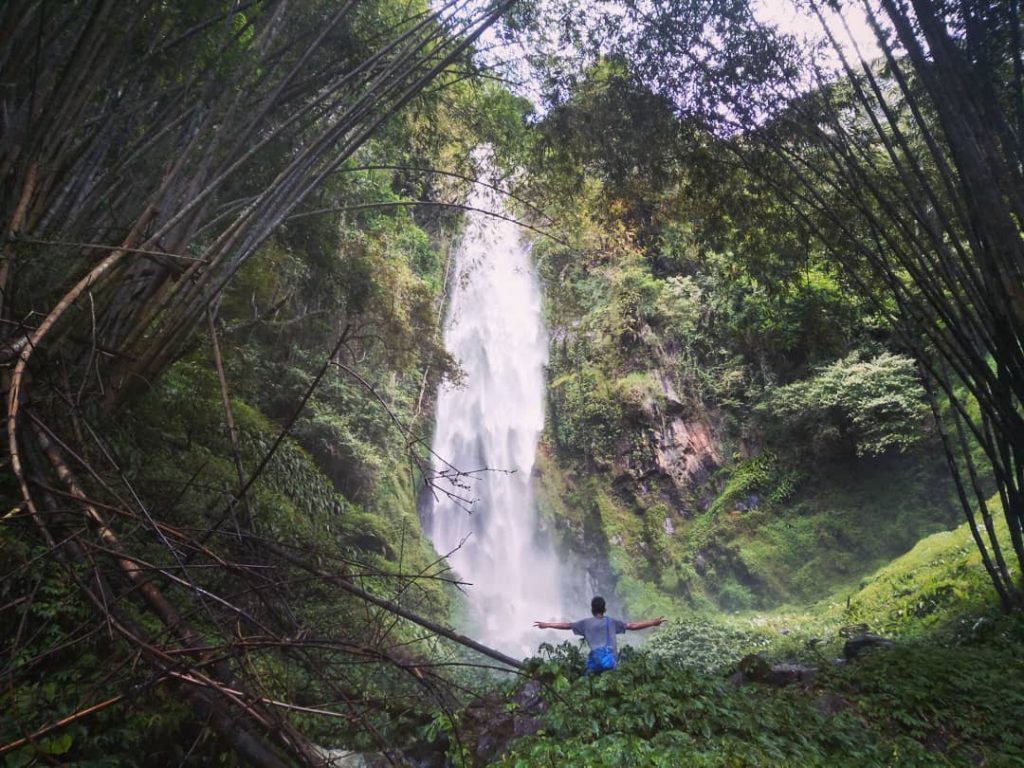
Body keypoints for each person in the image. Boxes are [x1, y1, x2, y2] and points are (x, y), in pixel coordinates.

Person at [533, 596, 665, 673]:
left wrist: (547, 624)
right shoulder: (611, 622)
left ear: (592, 609)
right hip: (610, 663)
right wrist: (653, 623)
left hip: (594, 663)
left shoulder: (585, 624)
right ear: (605, 609)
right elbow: (632, 626)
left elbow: (567, 626)